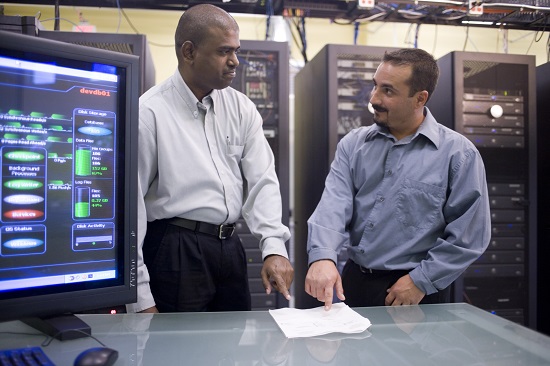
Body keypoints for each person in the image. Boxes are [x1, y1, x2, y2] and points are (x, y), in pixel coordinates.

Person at [126, 4, 293, 314]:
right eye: (223, 52)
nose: (235, 62)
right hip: (175, 251)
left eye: (236, 51)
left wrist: (274, 247)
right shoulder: (148, 114)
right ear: (189, 52)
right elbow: (130, 210)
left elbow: (263, 181)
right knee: (177, 355)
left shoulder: (240, 108)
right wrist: (140, 297)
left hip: (229, 248)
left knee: (231, 347)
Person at [304, 48, 491, 310]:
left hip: (416, 291)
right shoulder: (354, 145)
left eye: (388, 91)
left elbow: (469, 236)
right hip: (356, 282)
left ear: (419, 99)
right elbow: (333, 205)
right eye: (375, 86)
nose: (374, 98)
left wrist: (421, 280)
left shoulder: (458, 154)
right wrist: (323, 256)